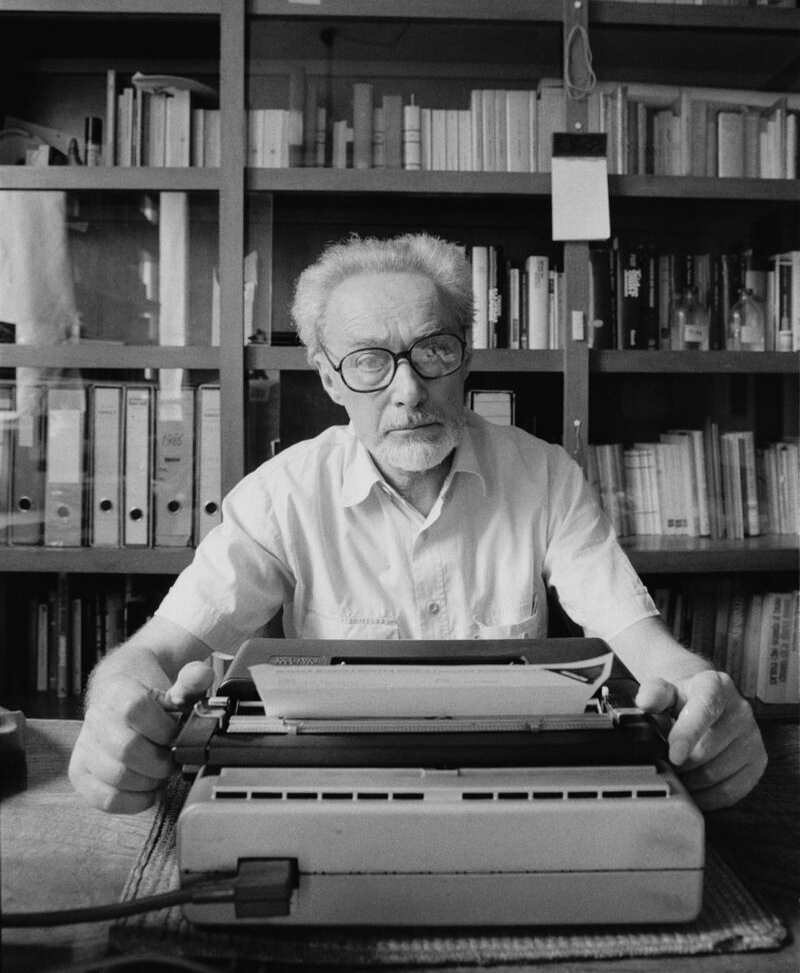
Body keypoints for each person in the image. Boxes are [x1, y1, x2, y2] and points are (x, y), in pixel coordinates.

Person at [69, 232, 766, 815]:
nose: (408, 392)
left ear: (464, 354)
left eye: (432, 350)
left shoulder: (546, 475)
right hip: (334, 796)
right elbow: (150, 656)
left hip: (516, 793)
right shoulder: (279, 496)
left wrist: (703, 692)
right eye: (370, 362)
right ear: (329, 377)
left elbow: (642, 642)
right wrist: (116, 711)